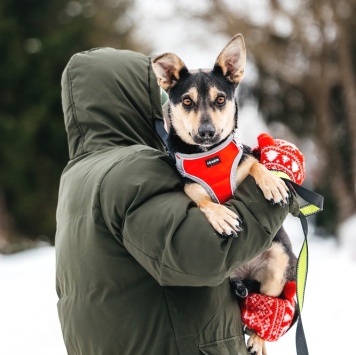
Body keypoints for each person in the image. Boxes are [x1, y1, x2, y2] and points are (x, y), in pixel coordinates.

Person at [55, 47, 299, 355]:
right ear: (142, 100)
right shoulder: (135, 168)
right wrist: (278, 189)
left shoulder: (77, 174)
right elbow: (205, 256)